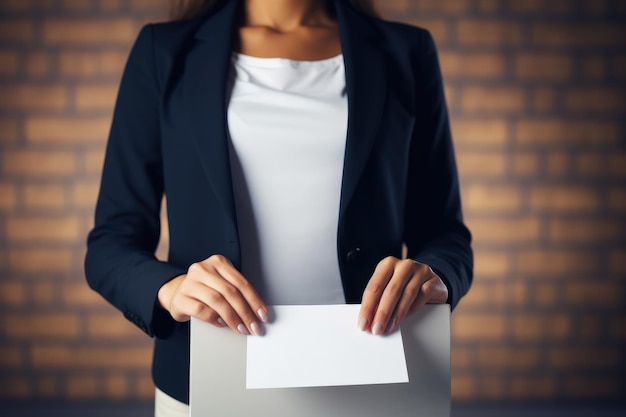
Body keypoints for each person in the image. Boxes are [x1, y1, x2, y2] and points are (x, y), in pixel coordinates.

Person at [84, 0, 473, 415]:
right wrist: (171, 289)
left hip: (374, 372)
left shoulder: (405, 51)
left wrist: (434, 276)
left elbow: (445, 235)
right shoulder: (163, 51)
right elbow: (111, 244)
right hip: (208, 376)